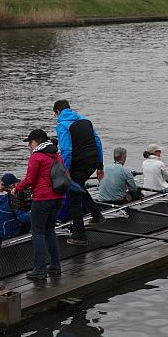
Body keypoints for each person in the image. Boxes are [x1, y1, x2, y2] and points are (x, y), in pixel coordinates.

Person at [12, 129, 66, 280]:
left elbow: (29, 179)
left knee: (38, 233)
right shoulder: (57, 154)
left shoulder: (37, 156)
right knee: (50, 230)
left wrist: (17, 188)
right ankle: (55, 266)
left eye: (30, 142)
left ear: (37, 141)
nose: (29, 145)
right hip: (59, 197)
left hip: (43, 199)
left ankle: (39, 270)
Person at [53, 100, 105, 246]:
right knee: (79, 186)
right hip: (93, 160)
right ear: (70, 109)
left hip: (79, 163)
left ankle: (80, 236)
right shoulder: (85, 121)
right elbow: (98, 142)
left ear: (57, 112)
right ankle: (96, 214)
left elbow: (67, 151)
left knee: (74, 194)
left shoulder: (62, 125)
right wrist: (100, 166)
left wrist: (65, 172)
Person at [0, 173, 31, 240]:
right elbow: (21, 217)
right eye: (16, 183)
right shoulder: (12, 198)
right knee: (29, 220)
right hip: (12, 234)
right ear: (12, 185)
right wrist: (38, 216)